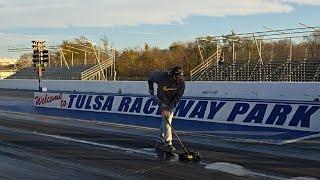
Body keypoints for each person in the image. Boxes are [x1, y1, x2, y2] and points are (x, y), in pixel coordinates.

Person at [148, 66, 185, 152]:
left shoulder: (182, 83)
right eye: (176, 78)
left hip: (172, 101)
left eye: (180, 78)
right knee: (167, 119)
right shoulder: (161, 77)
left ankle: (159, 141)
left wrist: (169, 108)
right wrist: (151, 88)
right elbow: (150, 76)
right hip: (162, 99)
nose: (178, 80)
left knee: (166, 120)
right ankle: (168, 143)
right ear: (171, 75)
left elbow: (178, 98)